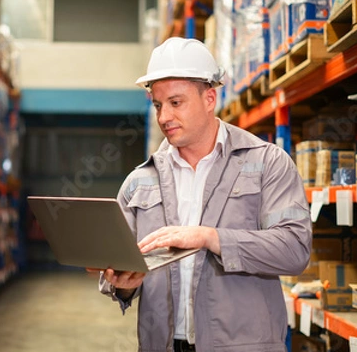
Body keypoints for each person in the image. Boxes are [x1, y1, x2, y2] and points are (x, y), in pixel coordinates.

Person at [99, 37, 312, 352]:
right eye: (158, 105)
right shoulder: (139, 182)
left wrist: (211, 238)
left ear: (209, 98)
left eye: (176, 102)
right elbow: (116, 264)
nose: (163, 117)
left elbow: (295, 249)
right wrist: (123, 285)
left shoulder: (266, 162)